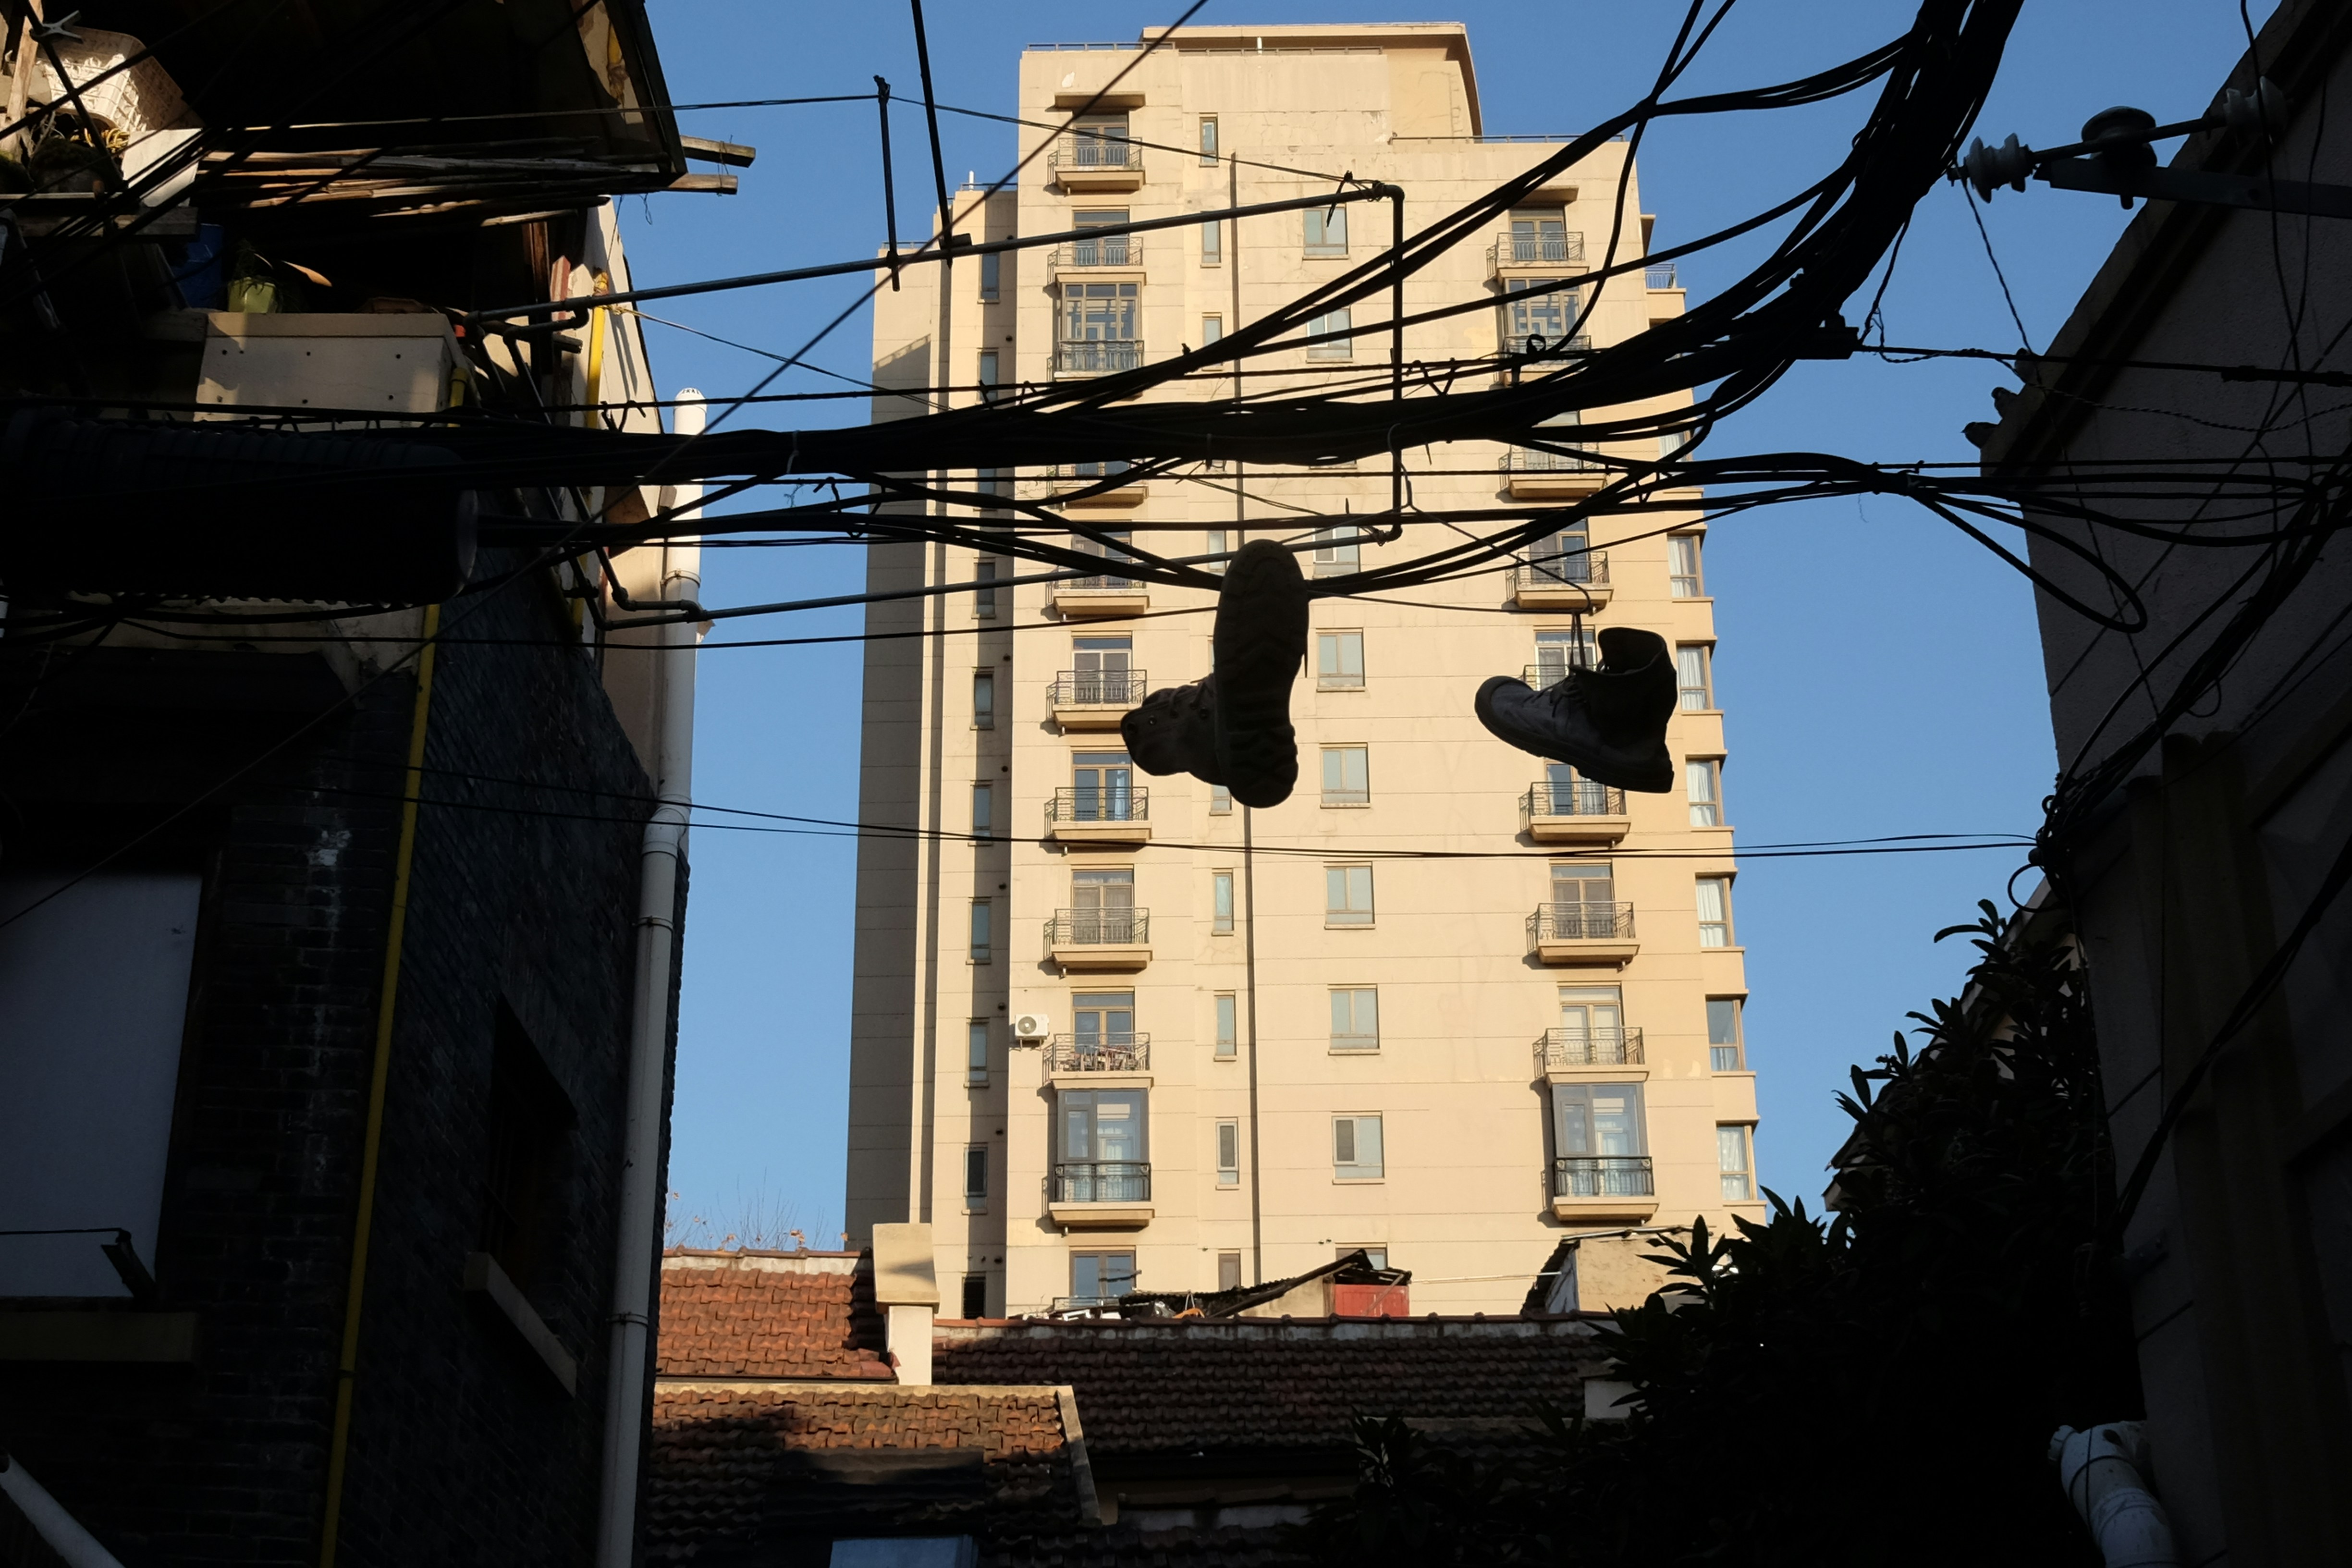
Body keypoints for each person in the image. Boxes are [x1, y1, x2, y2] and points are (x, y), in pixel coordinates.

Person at [1121, 539, 1676, 806]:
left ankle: (1203, 729)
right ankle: (1198, 729)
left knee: (1495, 696)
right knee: (1152, 726)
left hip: (1231, 733)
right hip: (1228, 734)